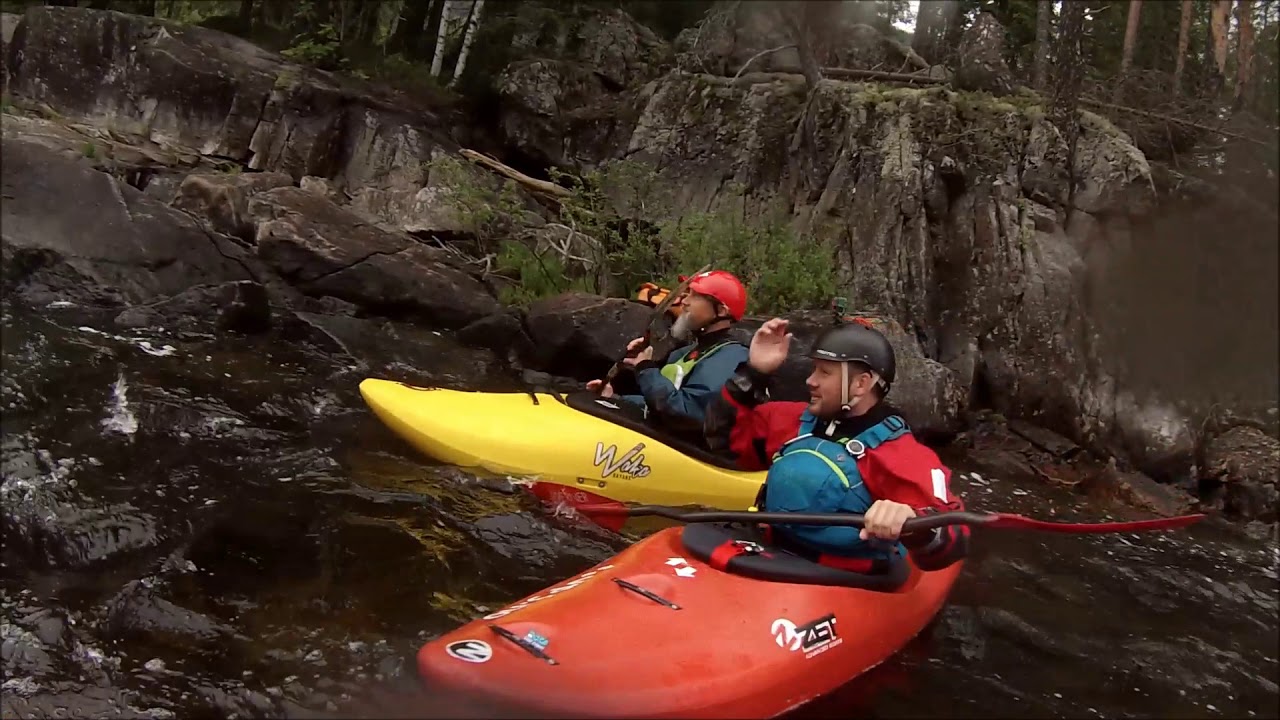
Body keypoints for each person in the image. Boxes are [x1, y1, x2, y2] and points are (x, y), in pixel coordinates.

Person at [703, 317, 969, 572]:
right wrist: (754, 373)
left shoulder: (901, 453)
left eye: (824, 372)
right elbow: (722, 441)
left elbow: (953, 535)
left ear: (861, 384)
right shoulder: (790, 420)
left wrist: (914, 522)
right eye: (814, 369)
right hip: (772, 553)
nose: (810, 381)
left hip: (842, 575)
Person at [586, 270, 750, 438]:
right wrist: (615, 398)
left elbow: (686, 414)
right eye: (687, 294)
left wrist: (645, 368)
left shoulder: (731, 357)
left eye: (695, 296)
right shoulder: (685, 352)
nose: (684, 302)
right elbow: (656, 407)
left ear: (721, 311)